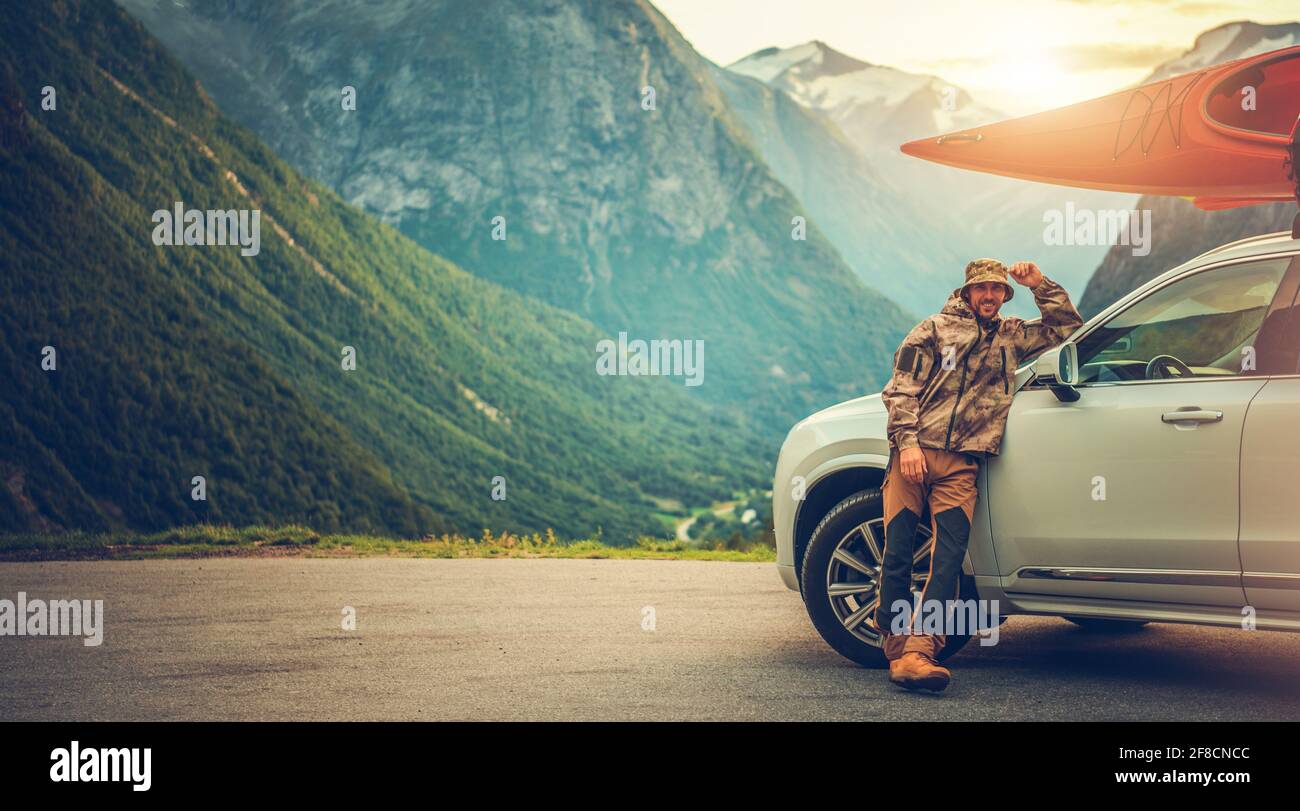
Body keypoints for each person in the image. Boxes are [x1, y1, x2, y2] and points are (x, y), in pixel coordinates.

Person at [876, 258, 1084, 692]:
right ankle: (896, 645)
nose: (989, 296)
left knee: (947, 561)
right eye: (982, 289)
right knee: (897, 553)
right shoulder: (933, 329)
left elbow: (1067, 328)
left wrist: (1039, 284)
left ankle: (919, 651)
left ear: (1005, 295)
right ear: (967, 291)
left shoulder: (1012, 336)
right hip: (913, 456)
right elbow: (900, 388)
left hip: (962, 465)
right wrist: (908, 442)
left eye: (997, 290)